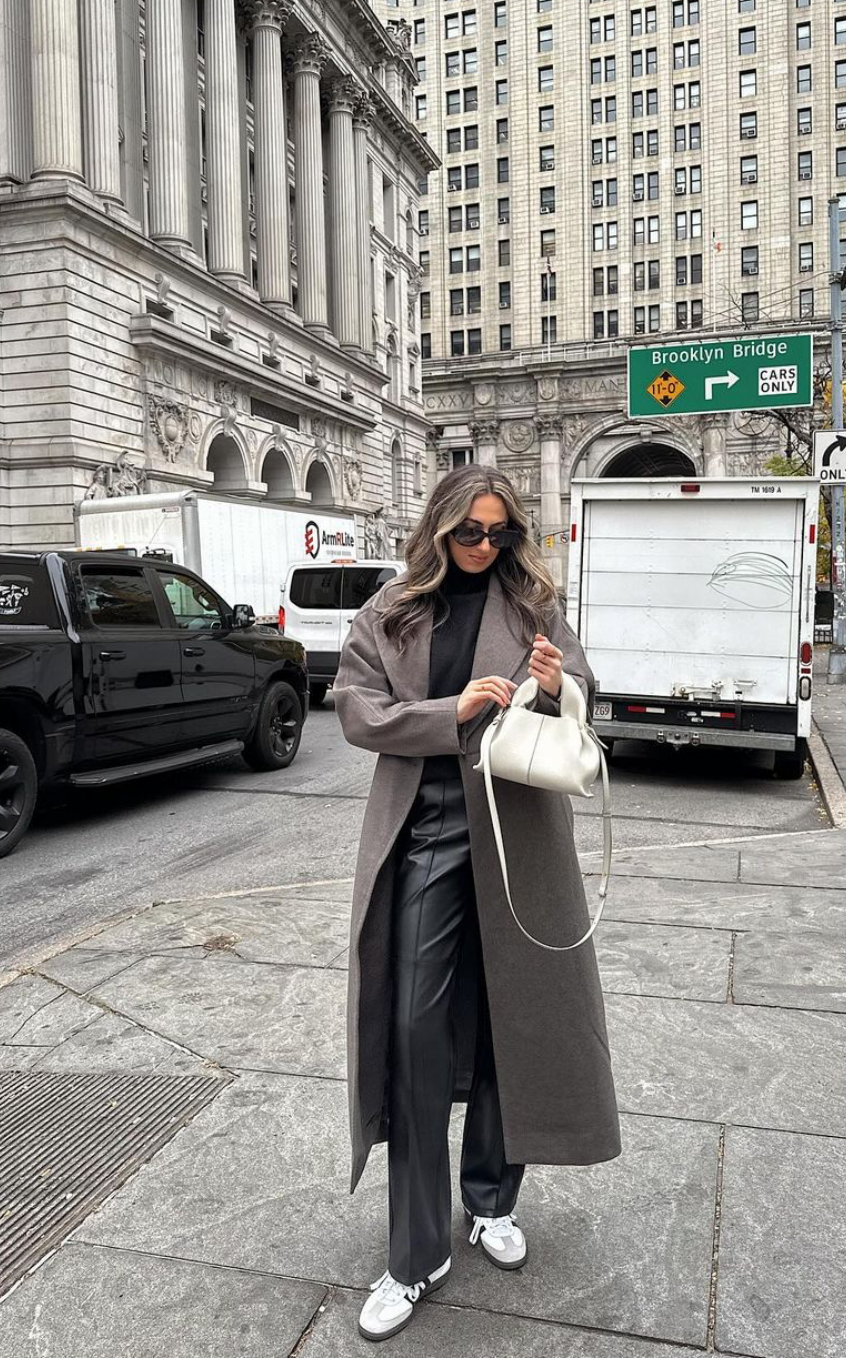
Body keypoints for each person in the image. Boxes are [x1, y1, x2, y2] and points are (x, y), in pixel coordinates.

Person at [333, 465, 621, 1343]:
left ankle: (491, 1198)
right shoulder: (393, 609)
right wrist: (446, 710)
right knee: (415, 1034)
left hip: (517, 841)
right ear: (439, 529)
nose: (486, 547)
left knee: (513, 1022)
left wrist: (546, 684)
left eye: (500, 533)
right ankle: (414, 1254)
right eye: (472, 533)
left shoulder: (531, 605)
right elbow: (354, 709)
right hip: (424, 834)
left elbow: (582, 692)